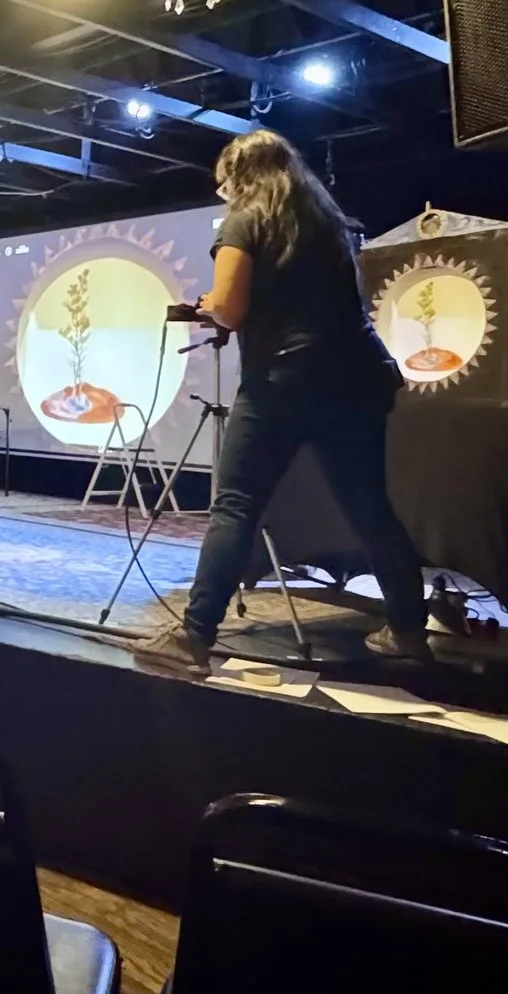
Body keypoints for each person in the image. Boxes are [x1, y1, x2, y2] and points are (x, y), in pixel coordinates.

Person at [142, 128, 431, 675]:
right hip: (360, 378)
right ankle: (410, 635)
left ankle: (195, 640)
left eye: (222, 183)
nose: (221, 193)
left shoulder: (246, 219)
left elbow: (227, 307)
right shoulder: (330, 224)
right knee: (371, 509)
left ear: (239, 176)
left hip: (285, 378)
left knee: (237, 506)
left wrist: (210, 308)